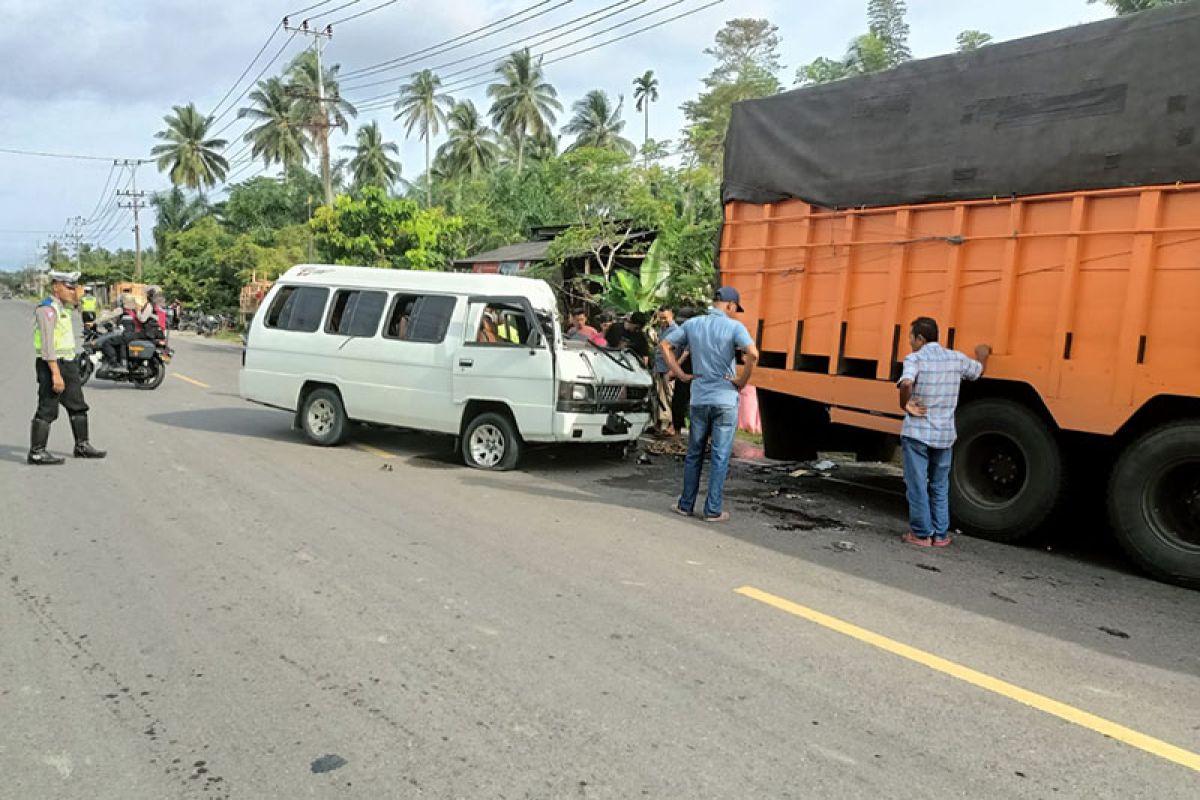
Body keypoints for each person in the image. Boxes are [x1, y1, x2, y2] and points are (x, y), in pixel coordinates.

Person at [661, 287, 759, 522]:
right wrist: (741, 380)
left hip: (700, 398)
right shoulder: (735, 327)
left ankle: (686, 504)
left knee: (694, 453)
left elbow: (665, 345)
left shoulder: (693, 324)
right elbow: (753, 354)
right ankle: (712, 510)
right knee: (720, 455)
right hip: (725, 399)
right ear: (730, 305)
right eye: (735, 309)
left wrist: (680, 374)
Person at [896, 316, 991, 547]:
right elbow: (978, 371)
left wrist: (904, 405)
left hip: (917, 433)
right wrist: (982, 352)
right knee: (939, 484)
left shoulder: (915, 358)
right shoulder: (956, 358)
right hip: (944, 435)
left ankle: (921, 534)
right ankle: (940, 535)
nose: (909, 342)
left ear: (920, 337)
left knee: (917, 483)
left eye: (911, 337)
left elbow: (906, 383)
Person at [28, 270, 106, 465]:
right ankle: (36, 451)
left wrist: (80, 299)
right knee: (47, 408)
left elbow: (86, 316)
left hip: (68, 363)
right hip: (51, 364)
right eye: (68, 287)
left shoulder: (64, 308)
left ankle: (82, 446)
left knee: (78, 406)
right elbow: (47, 346)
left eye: (74, 288)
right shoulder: (46, 310)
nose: (72, 291)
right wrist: (55, 374)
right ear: (56, 286)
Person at [651, 307, 679, 435]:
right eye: (660, 317)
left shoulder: (676, 331)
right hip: (659, 367)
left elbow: (678, 353)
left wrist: (673, 370)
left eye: (665, 318)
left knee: (669, 397)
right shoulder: (662, 329)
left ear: (671, 316)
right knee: (659, 396)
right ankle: (660, 424)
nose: (662, 320)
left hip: (669, 369)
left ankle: (670, 425)